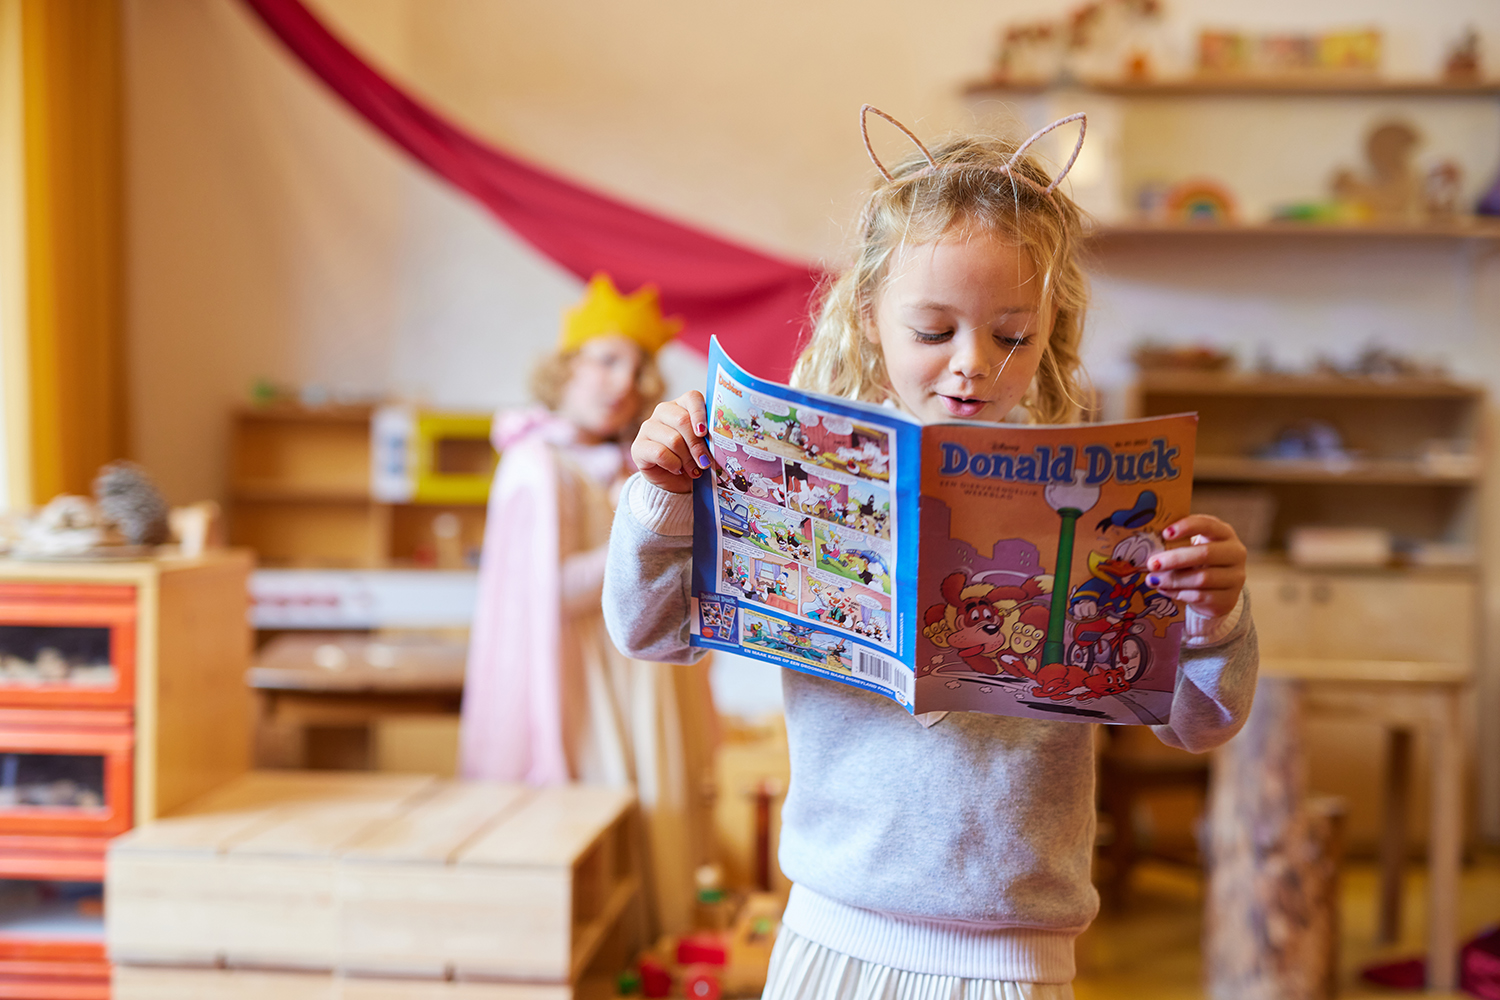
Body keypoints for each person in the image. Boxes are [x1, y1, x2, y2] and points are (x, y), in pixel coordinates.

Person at [602, 109, 1257, 999]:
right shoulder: (799, 462)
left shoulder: (1102, 496)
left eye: (1011, 333)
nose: (972, 364)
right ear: (870, 317)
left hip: (1014, 956)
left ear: (1051, 322)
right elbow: (651, 633)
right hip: (829, 931)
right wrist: (663, 494)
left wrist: (1212, 616)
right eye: (933, 329)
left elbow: (1200, 723)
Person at [461, 273, 716, 937]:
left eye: (637, 368)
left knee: (663, 806)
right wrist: (648, 549)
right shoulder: (536, 464)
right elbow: (536, 593)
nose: (622, 382)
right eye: (606, 359)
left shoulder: (624, 463)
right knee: (609, 819)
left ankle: (660, 951)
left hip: (645, 674)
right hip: (587, 677)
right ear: (568, 366)